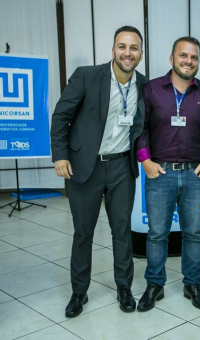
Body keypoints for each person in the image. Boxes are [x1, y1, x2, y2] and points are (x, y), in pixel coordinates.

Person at [50, 26, 147, 317]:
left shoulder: (144, 85)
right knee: (83, 233)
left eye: (133, 48)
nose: (127, 53)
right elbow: (61, 117)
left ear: (140, 53)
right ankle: (79, 292)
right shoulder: (87, 76)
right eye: (122, 46)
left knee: (122, 232)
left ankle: (124, 288)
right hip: (85, 167)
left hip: (121, 167)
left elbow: (144, 129)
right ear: (113, 49)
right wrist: (60, 156)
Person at [136, 37, 200, 312]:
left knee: (193, 234)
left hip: (195, 175)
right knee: (157, 233)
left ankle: (193, 283)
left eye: (194, 57)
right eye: (183, 55)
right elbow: (140, 128)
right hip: (160, 173)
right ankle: (154, 284)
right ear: (172, 58)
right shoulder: (151, 89)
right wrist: (145, 161)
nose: (188, 61)